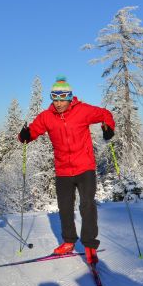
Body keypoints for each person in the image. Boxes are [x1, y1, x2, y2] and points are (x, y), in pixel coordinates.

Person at [18, 76, 115, 264]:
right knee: (65, 208)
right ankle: (69, 241)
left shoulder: (83, 111)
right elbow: (33, 131)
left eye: (62, 99)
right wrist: (25, 135)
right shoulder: (47, 117)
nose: (59, 103)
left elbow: (105, 114)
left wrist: (108, 128)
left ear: (70, 98)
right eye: (55, 99)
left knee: (87, 205)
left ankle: (89, 245)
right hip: (63, 170)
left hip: (84, 167)